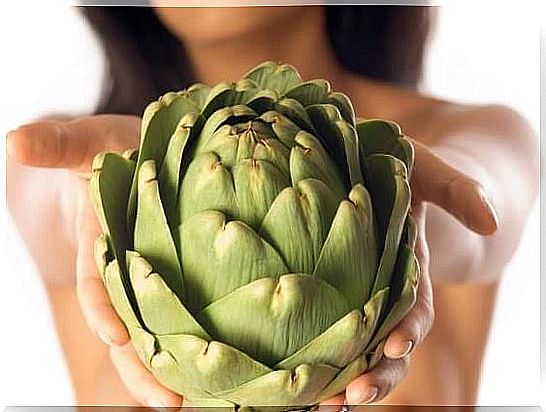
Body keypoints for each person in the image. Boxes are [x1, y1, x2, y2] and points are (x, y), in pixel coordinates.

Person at [6, 5, 538, 408]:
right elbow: (54, 203)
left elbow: (475, 211)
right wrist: (107, 193)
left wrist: (387, 211)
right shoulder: (83, 172)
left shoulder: (479, 135)